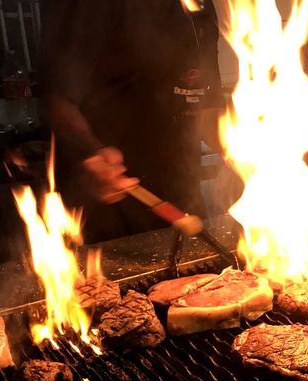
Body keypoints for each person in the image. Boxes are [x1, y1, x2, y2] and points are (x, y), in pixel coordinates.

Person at [39, 0, 226, 243]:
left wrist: (253, 161)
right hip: (109, 198)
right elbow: (58, 101)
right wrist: (91, 150)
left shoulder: (202, 6)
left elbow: (207, 106)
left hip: (180, 194)